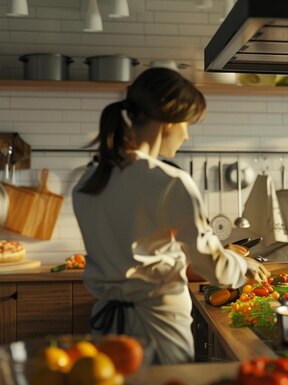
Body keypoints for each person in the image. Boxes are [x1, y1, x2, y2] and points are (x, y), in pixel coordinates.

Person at [72, 67, 269, 365]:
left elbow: (139, 249)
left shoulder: (88, 181)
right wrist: (243, 263)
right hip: (158, 325)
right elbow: (212, 267)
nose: (187, 134)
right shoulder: (170, 183)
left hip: (106, 325)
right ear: (168, 120)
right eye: (187, 124)